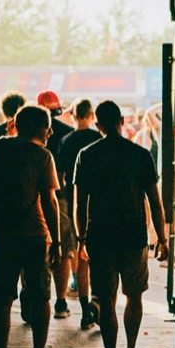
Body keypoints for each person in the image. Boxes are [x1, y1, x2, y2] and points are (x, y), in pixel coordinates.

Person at [74, 100, 168, 348]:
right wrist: (162, 238)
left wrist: (81, 238)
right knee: (134, 295)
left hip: (100, 236)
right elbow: (155, 201)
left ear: (98, 125)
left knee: (106, 298)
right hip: (134, 235)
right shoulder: (140, 154)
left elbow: (80, 204)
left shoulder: (87, 155)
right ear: (122, 122)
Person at [0, 105, 62, 348]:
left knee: (2, 300)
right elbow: (49, 202)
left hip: (1, 235)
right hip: (33, 236)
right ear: (37, 128)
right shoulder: (42, 156)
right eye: (47, 126)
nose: (50, 131)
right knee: (40, 296)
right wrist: (57, 240)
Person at [57, 98, 102, 328]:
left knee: (79, 255)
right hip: (98, 203)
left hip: (73, 203)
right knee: (98, 257)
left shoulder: (66, 141)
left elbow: (60, 176)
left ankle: (85, 311)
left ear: (74, 116)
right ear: (92, 116)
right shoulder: (98, 138)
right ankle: (98, 302)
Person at [37, 90, 75, 317]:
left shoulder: (24, 135)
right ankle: (60, 302)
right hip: (59, 197)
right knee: (63, 249)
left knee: (34, 248)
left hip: (31, 197)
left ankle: (33, 297)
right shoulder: (67, 134)